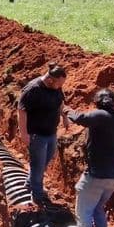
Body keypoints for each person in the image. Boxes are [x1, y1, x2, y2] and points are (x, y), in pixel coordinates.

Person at [64, 88, 114, 227]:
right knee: (98, 208)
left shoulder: (100, 115)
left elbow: (80, 118)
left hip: (98, 174)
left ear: (96, 102)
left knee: (83, 212)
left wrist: (67, 110)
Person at [17, 62, 68, 206]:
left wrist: (64, 117)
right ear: (50, 80)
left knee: (45, 161)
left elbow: (60, 102)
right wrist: (24, 134)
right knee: (38, 165)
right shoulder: (33, 89)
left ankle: (30, 182)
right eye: (59, 83)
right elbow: (21, 110)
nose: (60, 86)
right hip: (36, 135)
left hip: (51, 133)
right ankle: (37, 196)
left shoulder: (56, 87)